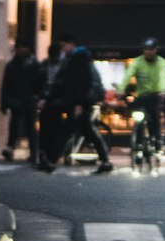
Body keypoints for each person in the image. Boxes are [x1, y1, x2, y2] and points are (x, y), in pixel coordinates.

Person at [38, 33, 113, 174]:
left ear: (71, 44)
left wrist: (79, 103)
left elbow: (82, 82)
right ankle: (105, 161)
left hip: (80, 103)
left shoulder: (79, 58)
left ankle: (52, 162)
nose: (62, 49)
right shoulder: (74, 58)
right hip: (78, 102)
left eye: (63, 45)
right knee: (84, 131)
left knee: (69, 132)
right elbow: (67, 83)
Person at [120, 39, 165, 153]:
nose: (148, 52)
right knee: (138, 118)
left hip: (155, 95)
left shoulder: (161, 62)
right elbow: (128, 75)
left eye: (151, 49)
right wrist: (121, 89)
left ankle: (156, 141)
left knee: (154, 118)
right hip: (142, 96)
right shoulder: (137, 62)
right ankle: (138, 142)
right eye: (146, 49)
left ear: (156, 50)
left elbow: (163, 77)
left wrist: (163, 90)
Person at [0, 42, 41, 161]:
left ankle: (33, 151)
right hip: (17, 100)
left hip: (28, 100)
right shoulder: (12, 65)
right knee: (15, 125)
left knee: (30, 127)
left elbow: (39, 82)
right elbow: (6, 85)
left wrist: (37, 96)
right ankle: (11, 147)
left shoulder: (34, 65)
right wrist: (4, 103)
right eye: (19, 47)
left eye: (24, 47)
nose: (21, 50)